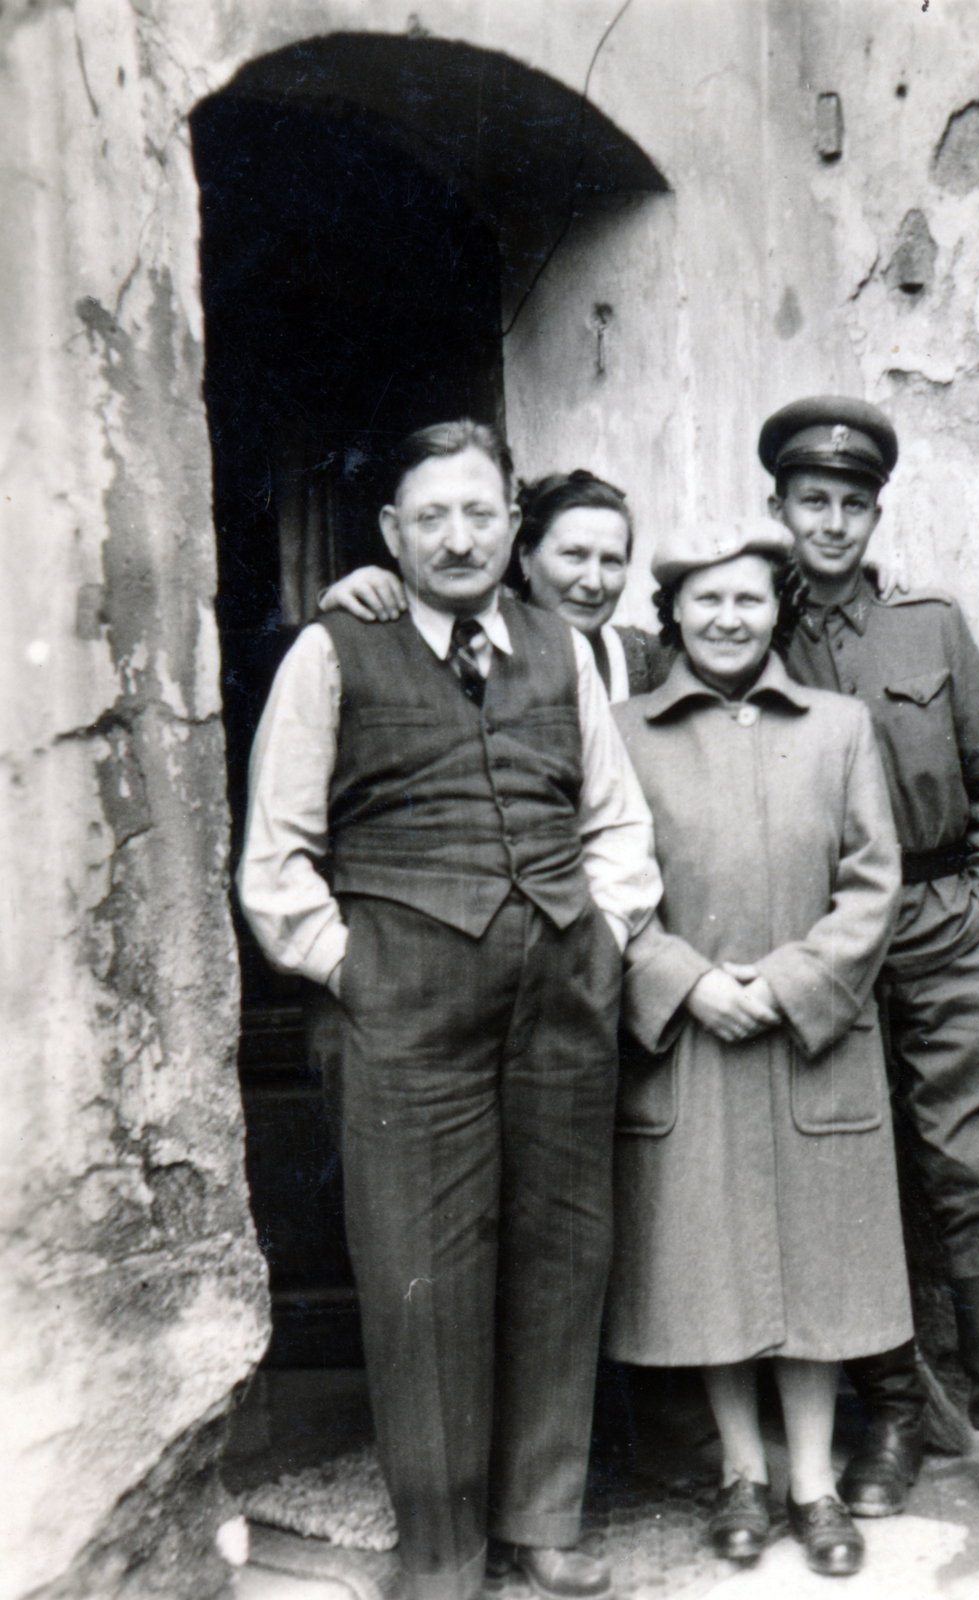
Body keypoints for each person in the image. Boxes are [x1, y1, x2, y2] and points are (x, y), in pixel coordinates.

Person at [238, 420, 662, 1600]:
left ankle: (542, 1517)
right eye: (432, 517)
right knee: (422, 1273)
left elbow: (614, 818)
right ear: (392, 533)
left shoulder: (556, 647)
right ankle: (443, 1553)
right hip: (402, 1007)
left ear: (511, 524)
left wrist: (605, 932)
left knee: (561, 1251)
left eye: (480, 513)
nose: (460, 537)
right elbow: (276, 859)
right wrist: (355, 966)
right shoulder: (331, 651)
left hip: (561, 993)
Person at [758, 397, 979, 1533]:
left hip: (937, 917)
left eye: (851, 504)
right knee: (849, 1177)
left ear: (873, 513)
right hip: (818, 937)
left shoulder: (927, 625)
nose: (830, 521)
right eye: (810, 501)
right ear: (778, 508)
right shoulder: (738, 626)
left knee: (967, 1174)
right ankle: (895, 1420)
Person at [606, 519, 910, 1579]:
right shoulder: (622, 731)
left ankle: (815, 1484)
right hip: (689, 1044)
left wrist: (783, 986)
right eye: (703, 600)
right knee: (714, 1267)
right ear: (672, 616)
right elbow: (599, 889)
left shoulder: (837, 728)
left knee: (817, 1266)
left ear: (772, 608)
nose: (726, 617)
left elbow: (873, 885)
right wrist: (688, 982)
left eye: (744, 598)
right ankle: (742, 1473)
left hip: (811, 1041)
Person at [319, 468, 674, 701]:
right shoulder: (470, 645)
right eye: (573, 555)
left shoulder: (645, 657)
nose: (594, 582)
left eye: (611, 561)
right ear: (525, 558)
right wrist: (339, 597)